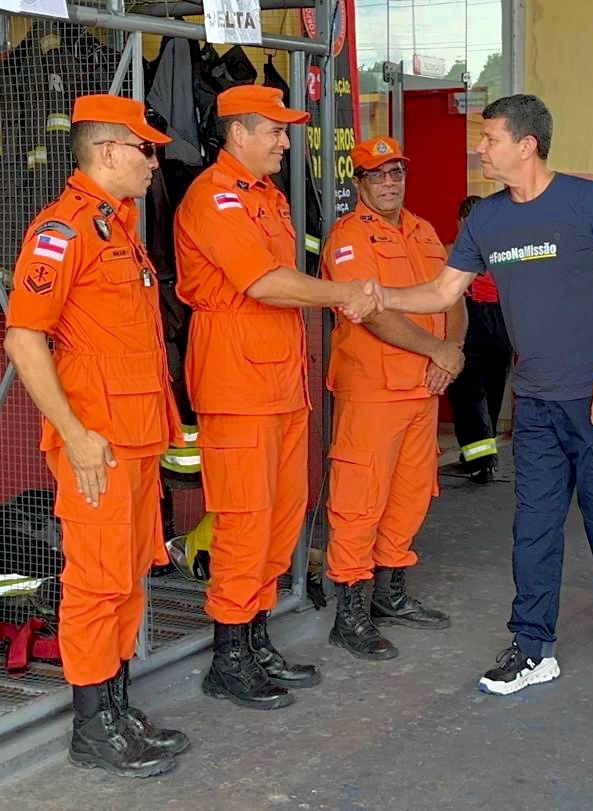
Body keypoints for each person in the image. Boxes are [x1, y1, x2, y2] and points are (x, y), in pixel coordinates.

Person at [364, 94, 593, 703]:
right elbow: (444, 291)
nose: (481, 149)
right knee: (533, 530)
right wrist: (377, 297)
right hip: (538, 404)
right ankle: (532, 648)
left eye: (491, 138)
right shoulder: (487, 221)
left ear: (527, 145)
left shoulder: (590, 202)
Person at [174, 85, 378, 710]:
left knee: (283, 514)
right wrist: (345, 294)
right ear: (239, 133)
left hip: (281, 378)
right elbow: (263, 282)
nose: (287, 142)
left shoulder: (266, 197)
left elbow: (284, 286)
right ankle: (229, 656)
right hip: (237, 380)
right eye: (277, 132)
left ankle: (255, 636)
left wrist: (330, 294)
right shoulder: (215, 197)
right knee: (243, 520)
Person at [4, 94, 187, 777]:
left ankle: (115, 706)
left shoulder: (119, 223)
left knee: (127, 581)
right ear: (108, 152)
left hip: (135, 437)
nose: (154, 158)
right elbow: (25, 338)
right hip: (98, 444)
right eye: (144, 148)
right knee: (95, 584)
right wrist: (75, 434)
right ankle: (92, 727)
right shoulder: (64, 230)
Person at [321, 136, 466, 660]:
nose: (389, 183)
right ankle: (351, 612)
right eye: (378, 175)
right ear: (359, 182)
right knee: (360, 503)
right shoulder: (347, 238)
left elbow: (454, 295)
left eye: (396, 173)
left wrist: (451, 351)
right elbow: (372, 312)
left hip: (425, 388)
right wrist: (439, 351)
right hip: (374, 391)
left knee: (409, 497)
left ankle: (390, 595)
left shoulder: (424, 230)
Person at [446, 194, 513, 484]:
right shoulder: (503, 253)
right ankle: (487, 456)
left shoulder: (452, 251)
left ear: (461, 221)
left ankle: (478, 461)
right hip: (503, 325)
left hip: (470, 322)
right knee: (493, 390)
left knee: (468, 394)